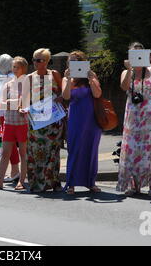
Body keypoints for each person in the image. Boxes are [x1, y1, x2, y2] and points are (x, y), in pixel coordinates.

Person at [117, 42, 151, 196]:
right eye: (133, 55)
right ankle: (133, 185)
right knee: (132, 151)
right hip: (133, 117)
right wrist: (130, 69)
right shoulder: (126, 72)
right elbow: (124, 87)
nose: (137, 58)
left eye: (139, 54)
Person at [61, 50, 102, 195]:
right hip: (76, 119)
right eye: (70, 61)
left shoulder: (90, 76)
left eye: (75, 61)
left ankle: (91, 182)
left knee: (91, 149)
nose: (72, 63)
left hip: (92, 119)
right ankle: (71, 184)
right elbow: (65, 96)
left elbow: (97, 94)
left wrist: (91, 79)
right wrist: (68, 79)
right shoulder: (67, 79)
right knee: (74, 149)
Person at [26, 49, 64, 192]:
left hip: (53, 123)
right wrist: (23, 108)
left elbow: (63, 92)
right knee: (36, 152)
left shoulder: (54, 74)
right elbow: (23, 100)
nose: (35, 63)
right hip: (36, 123)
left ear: (47, 61)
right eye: (34, 59)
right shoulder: (29, 77)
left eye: (39, 60)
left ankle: (53, 182)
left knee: (52, 152)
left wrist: (60, 98)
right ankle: (37, 184)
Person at [0, 56, 29, 191]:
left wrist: (16, 103)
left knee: (23, 153)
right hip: (9, 123)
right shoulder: (7, 84)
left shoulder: (27, 83)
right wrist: (10, 104)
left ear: (23, 69)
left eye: (17, 67)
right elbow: (2, 104)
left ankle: (21, 181)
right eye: (13, 66)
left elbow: (27, 102)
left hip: (22, 123)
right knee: (5, 153)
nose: (14, 69)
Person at [0, 54, 20, 182]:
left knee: (10, 145)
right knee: (10, 145)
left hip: (7, 115)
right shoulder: (10, 77)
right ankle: (15, 170)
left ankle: (15, 170)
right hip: (6, 113)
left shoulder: (9, 79)